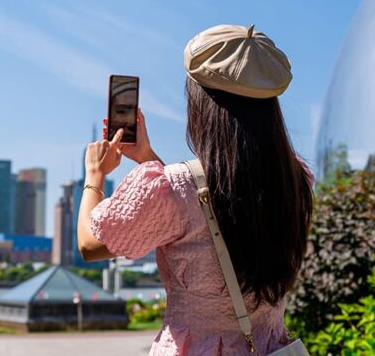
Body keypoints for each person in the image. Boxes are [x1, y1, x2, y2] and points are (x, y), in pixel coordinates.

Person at [77, 24, 314, 355]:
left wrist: (94, 175)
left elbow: (91, 244)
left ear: (203, 105)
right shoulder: (296, 181)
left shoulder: (175, 190)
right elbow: (205, 206)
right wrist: (148, 159)